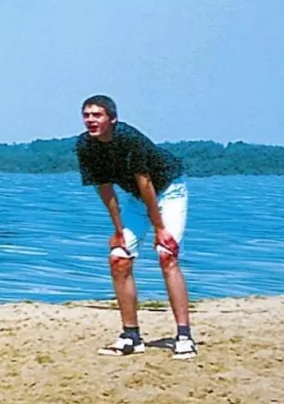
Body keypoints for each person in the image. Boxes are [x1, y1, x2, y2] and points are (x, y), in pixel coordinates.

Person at [75, 96, 196, 359]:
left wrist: (159, 228)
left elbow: (146, 183)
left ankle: (184, 335)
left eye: (97, 115)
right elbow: (105, 189)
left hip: (168, 190)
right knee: (118, 258)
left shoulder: (129, 139)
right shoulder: (85, 145)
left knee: (167, 254)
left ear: (112, 119)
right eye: (87, 115)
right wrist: (118, 232)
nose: (91, 120)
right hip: (136, 199)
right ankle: (131, 335)